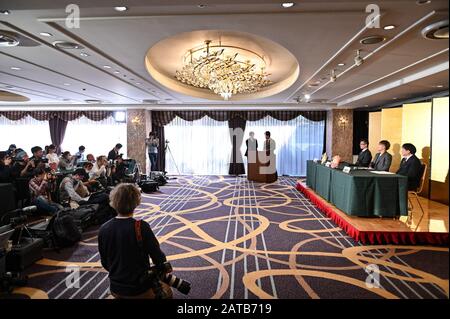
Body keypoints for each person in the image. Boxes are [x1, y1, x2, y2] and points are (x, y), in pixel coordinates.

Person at [98, 183, 172, 299]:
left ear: (113, 201)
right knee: (168, 291)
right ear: (136, 202)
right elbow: (158, 258)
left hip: (116, 288)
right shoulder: (141, 227)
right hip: (140, 289)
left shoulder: (104, 228)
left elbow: (105, 263)